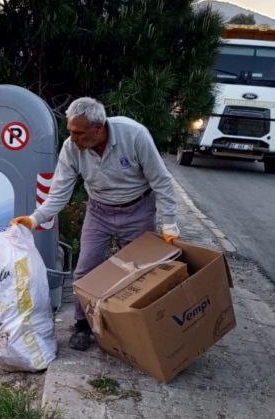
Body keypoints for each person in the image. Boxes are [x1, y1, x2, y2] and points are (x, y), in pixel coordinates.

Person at [10, 97, 180, 351]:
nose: (73, 138)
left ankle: (127, 327)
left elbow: (161, 181)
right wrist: (35, 218)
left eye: (78, 133)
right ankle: (82, 325)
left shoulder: (134, 135)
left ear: (98, 127)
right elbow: (59, 192)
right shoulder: (72, 148)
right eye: (70, 132)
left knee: (137, 273)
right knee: (84, 271)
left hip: (138, 209)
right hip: (99, 211)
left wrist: (169, 223)